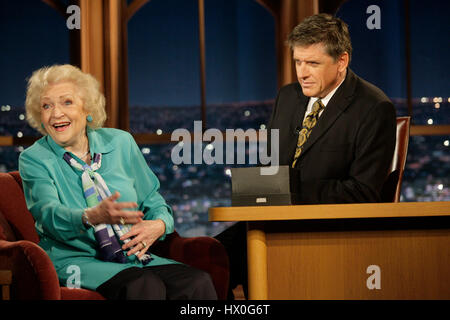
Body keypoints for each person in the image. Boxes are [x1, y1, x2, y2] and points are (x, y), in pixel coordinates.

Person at [215, 13, 397, 299]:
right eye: (298, 62)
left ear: (342, 61)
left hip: (327, 228)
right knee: (207, 261)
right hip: (272, 222)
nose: (302, 73)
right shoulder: (288, 97)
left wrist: (291, 189)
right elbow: (270, 167)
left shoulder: (373, 108)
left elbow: (364, 193)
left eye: (313, 63)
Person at [19, 64, 217, 300]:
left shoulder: (121, 143)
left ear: (87, 108)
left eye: (67, 102)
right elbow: (48, 214)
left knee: (197, 283)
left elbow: (154, 201)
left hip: (132, 257)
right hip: (74, 261)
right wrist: (92, 216)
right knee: (143, 286)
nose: (56, 114)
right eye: (46, 106)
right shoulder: (34, 158)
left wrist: (160, 225)